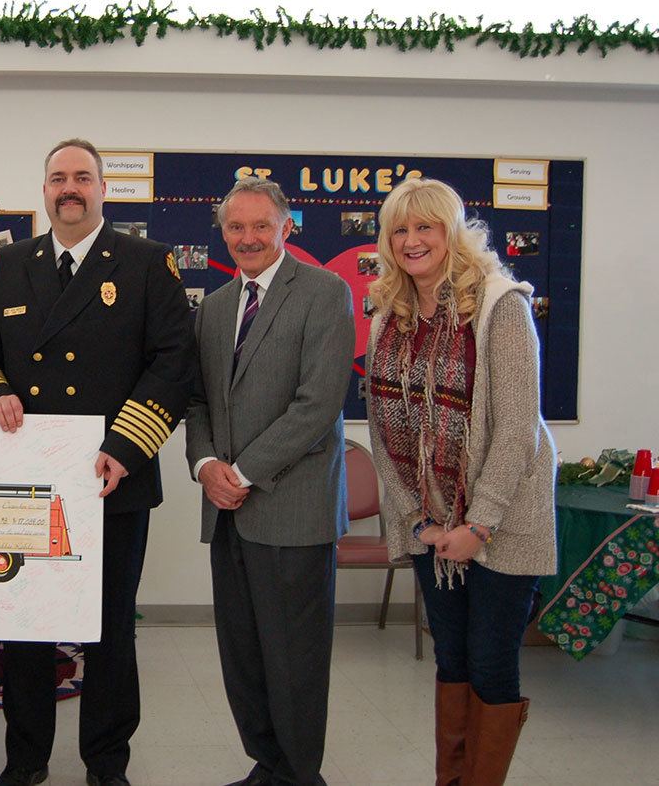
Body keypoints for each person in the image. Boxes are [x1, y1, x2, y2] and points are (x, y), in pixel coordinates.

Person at [0, 138, 193, 786]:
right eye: (59, 177)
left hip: (109, 480)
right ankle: (27, 758)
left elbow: (174, 362)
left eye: (83, 177)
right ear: (44, 190)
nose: (70, 187)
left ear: (101, 189)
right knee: (27, 626)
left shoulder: (147, 263)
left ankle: (106, 761)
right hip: (28, 483)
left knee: (110, 631)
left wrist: (125, 447)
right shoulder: (11, 263)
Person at [365, 178, 556, 786]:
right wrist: (418, 520)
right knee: (452, 661)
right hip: (432, 524)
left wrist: (479, 524)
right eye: (400, 229)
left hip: (503, 521)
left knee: (491, 665)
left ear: (453, 234)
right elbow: (381, 432)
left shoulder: (501, 306)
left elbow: (518, 428)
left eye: (427, 227)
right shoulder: (387, 319)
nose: (413, 241)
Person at [185, 176, 354, 786]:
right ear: (223, 233)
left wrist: (245, 472)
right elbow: (198, 400)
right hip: (226, 508)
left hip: (291, 507)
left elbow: (318, 404)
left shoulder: (324, 292)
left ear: (287, 227)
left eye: (261, 225)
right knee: (245, 656)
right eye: (236, 227)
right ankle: (269, 765)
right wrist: (207, 467)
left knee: (295, 659)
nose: (248, 237)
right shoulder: (215, 307)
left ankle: (301, 775)